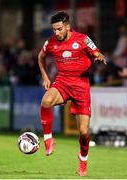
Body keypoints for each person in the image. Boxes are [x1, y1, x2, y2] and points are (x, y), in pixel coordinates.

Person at [38, 11, 106, 176]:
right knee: (46, 101)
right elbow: (41, 57)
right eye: (54, 29)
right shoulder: (51, 43)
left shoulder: (82, 39)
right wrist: (45, 77)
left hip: (81, 87)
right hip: (62, 82)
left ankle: (83, 158)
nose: (57, 33)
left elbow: (97, 52)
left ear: (67, 27)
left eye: (59, 29)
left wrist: (98, 57)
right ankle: (48, 139)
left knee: (83, 132)